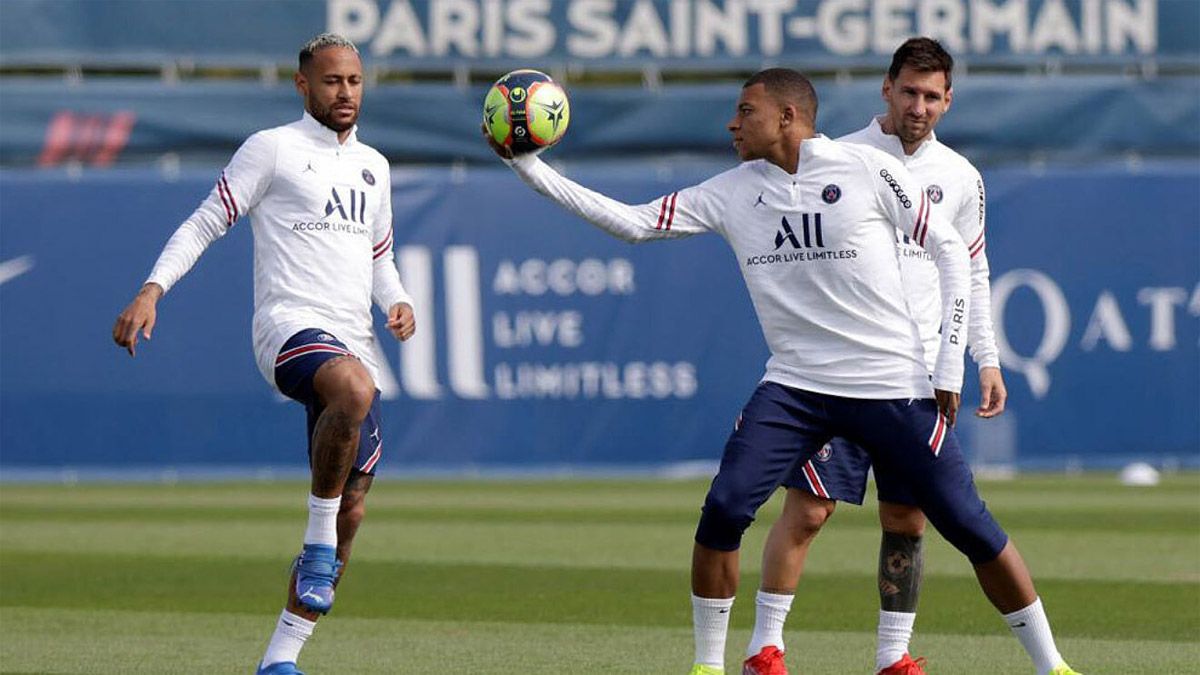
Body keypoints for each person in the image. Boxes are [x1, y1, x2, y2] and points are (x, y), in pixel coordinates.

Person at [485, 68, 1078, 675]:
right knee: (724, 508)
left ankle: (1051, 665)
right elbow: (634, 223)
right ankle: (711, 665)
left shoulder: (864, 170)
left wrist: (951, 361)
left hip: (890, 386)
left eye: (746, 110)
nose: (732, 123)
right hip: (796, 388)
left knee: (969, 525)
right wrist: (530, 168)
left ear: (788, 118)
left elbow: (951, 251)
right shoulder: (733, 190)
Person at [111, 33, 415, 675]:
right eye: (332, 81)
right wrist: (151, 288)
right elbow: (204, 221)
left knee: (354, 508)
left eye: (355, 82)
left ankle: (279, 660)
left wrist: (399, 300)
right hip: (288, 328)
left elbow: (379, 256)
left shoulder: (375, 167)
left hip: (353, 338)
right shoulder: (272, 149)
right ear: (303, 85)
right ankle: (315, 542)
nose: (345, 93)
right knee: (354, 394)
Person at [744, 38, 1020, 675]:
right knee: (809, 508)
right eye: (909, 92)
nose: (919, 106)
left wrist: (986, 357)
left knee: (907, 516)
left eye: (932, 96)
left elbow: (972, 269)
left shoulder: (960, 177)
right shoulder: (839, 158)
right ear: (886, 90)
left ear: (948, 101)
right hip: (843, 367)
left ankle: (892, 657)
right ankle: (765, 648)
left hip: (918, 376)